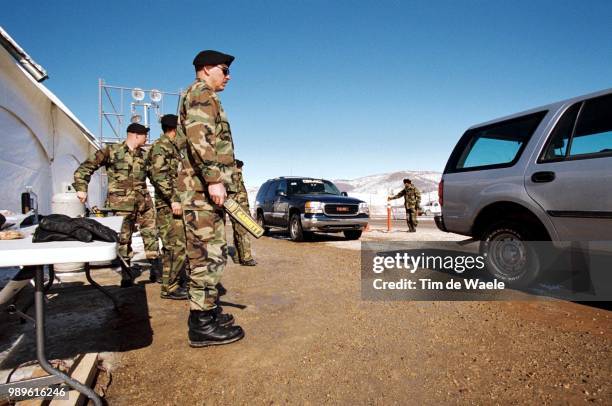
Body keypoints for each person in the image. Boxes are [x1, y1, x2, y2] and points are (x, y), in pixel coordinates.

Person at [175, 49, 244, 347]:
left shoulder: (203, 94)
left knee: (212, 254)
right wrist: (215, 180)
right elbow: (200, 138)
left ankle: (209, 311)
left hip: (204, 191)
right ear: (205, 69)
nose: (229, 76)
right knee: (206, 256)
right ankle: (201, 325)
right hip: (202, 191)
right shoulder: (202, 93)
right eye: (224, 70)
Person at [73, 123, 162, 286]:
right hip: (120, 204)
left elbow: (157, 178)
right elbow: (85, 168)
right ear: (135, 135)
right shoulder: (111, 151)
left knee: (151, 234)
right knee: (123, 239)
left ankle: (156, 270)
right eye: (144, 135)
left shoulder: (145, 155)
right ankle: (126, 274)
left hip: (144, 203)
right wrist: (81, 188)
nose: (146, 138)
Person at [147, 114, 189, 300]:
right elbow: (158, 176)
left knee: (179, 246)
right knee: (174, 247)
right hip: (168, 206)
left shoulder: (172, 147)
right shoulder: (160, 147)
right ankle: (169, 288)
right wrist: (174, 199)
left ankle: (174, 282)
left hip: (176, 204)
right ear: (174, 128)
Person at [229, 159, 256, 266]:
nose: (242, 170)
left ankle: (237, 256)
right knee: (242, 232)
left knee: (238, 231)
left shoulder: (237, 177)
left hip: (238, 207)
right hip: (238, 208)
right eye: (240, 168)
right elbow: (236, 194)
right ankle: (246, 258)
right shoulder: (235, 177)